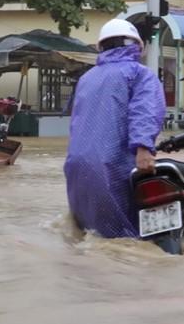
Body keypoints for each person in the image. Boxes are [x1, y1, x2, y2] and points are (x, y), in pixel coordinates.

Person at [63, 18, 166, 239]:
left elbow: (76, 121)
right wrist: (144, 148)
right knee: (126, 241)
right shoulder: (140, 74)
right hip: (112, 167)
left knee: (88, 238)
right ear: (138, 46)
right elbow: (145, 111)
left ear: (101, 47)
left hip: (76, 168)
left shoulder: (86, 78)